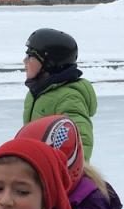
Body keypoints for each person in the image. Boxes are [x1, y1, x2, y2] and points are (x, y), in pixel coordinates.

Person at [22, 28, 98, 161]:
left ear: (49, 63)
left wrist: (59, 171)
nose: (24, 61)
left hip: (52, 171)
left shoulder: (68, 98)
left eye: (30, 56)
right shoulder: (38, 92)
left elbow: (81, 144)